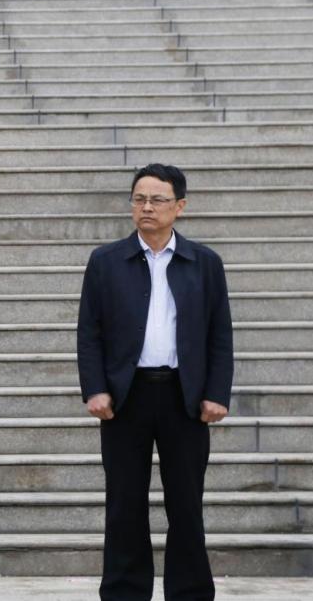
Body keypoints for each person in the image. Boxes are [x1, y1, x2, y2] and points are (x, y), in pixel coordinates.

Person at [77, 163, 234, 601]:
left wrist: (216, 393)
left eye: (157, 200)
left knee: (186, 504)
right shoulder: (106, 261)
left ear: (179, 206)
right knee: (124, 503)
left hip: (185, 397)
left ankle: (190, 592)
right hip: (126, 397)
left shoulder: (205, 263)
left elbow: (220, 333)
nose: (147, 207)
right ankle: (125, 592)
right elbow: (89, 331)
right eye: (139, 199)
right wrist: (95, 388)